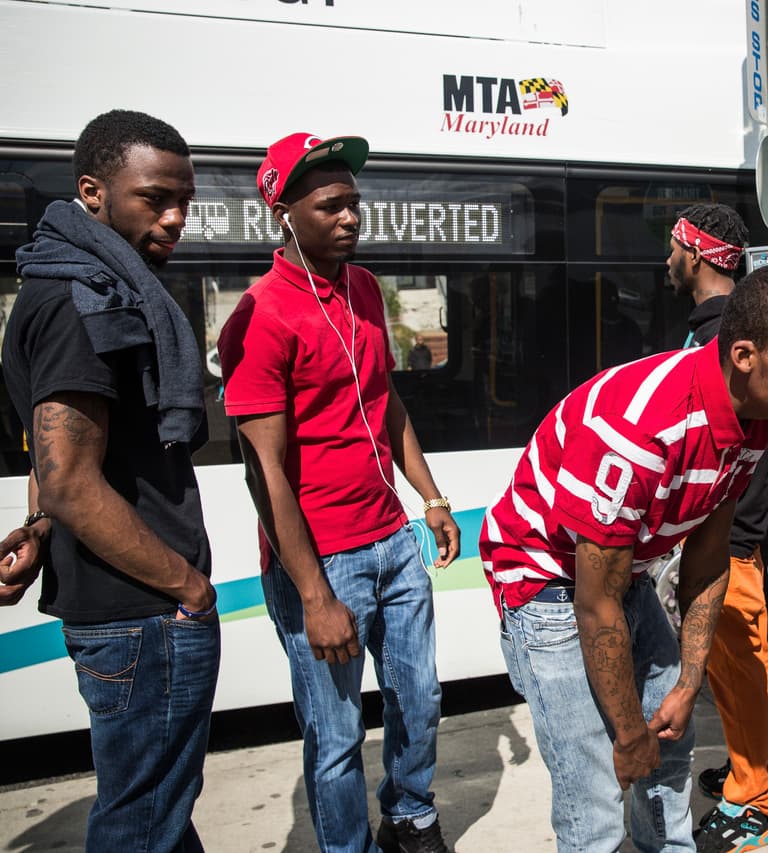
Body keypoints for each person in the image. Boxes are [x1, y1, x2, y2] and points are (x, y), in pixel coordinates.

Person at [480, 264, 768, 852]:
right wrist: (627, 735)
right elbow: (595, 604)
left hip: (620, 577)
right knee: (596, 789)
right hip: (547, 582)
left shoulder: (754, 420)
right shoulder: (640, 430)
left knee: (670, 744)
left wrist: (687, 680)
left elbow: (708, 558)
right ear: (746, 356)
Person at [218, 132, 461, 853]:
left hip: (391, 538)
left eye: (354, 203)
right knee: (335, 735)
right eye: (331, 205)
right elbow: (264, 473)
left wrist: (432, 496)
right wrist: (316, 595)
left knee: (421, 699)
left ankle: (410, 816)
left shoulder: (361, 287)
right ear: (283, 212)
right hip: (323, 561)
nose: (351, 216)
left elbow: (383, 403)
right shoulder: (257, 318)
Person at [0, 109, 220, 850]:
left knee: (155, 814)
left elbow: (53, 463)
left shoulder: (71, 282)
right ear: (92, 191)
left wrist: (35, 530)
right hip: (146, 614)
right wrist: (187, 587)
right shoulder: (81, 299)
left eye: (184, 199)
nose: (176, 216)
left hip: (129, 612)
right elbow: (67, 480)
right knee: (140, 824)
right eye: (155, 197)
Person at [663, 203, 768, 851]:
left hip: (729, 530)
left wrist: (738, 531)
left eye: (673, 247)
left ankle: (754, 796)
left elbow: (745, 443)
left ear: (699, 254)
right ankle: (750, 763)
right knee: (722, 664)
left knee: (741, 663)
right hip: (712, 528)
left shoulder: (727, 335)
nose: (667, 261)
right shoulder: (709, 328)